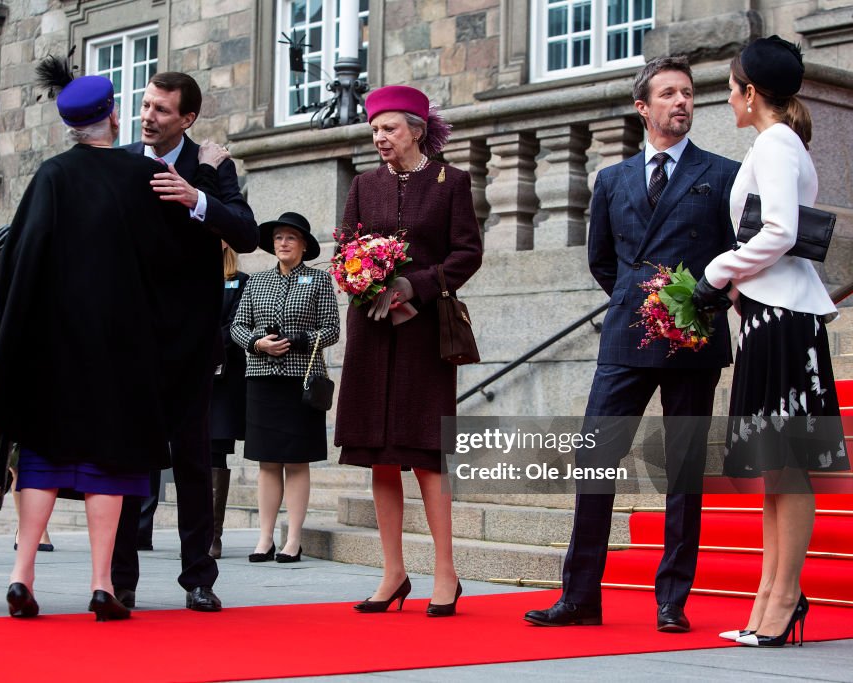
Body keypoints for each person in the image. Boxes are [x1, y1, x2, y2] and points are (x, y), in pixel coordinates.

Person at [524, 56, 740, 632]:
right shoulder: (613, 179)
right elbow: (602, 260)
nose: (682, 102)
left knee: (683, 466)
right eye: (668, 93)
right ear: (643, 107)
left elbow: (733, 257)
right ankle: (579, 596)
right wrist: (638, 299)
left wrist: (695, 303)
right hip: (626, 335)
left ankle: (672, 599)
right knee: (595, 458)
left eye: (689, 93)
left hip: (694, 336)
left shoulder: (722, 174)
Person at [695, 36, 849, 648]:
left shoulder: (777, 143)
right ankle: (769, 598)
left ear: (750, 92)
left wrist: (719, 270)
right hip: (768, 316)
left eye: (731, 87)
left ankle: (784, 599)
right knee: (776, 470)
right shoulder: (775, 143)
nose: (728, 98)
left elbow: (781, 230)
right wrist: (736, 286)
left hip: (783, 320)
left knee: (788, 469)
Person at [111, 71, 258, 609]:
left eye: (162, 110)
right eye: (146, 106)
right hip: (130, 339)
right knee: (129, 459)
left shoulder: (211, 165)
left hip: (193, 341)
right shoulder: (121, 162)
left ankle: (198, 577)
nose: (148, 116)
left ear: (187, 119)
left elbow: (247, 231)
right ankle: (120, 580)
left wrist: (197, 198)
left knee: (194, 460)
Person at [334, 85, 482, 616]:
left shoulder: (451, 183)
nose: (380, 138)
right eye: (375, 130)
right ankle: (393, 572)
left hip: (424, 333)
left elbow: (468, 253)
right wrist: (365, 280)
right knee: (379, 454)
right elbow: (344, 250)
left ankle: (446, 571)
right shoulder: (362, 185)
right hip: (372, 332)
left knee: (426, 454)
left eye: (389, 128)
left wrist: (413, 284)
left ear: (416, 131)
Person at [230, 213, 339, 563]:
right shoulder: (256, 281)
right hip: (261, 378)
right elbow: (237, 326)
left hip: (300, 381)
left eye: (291, 237)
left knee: (296, 461)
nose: (283, 243)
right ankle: (264, 538)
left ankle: (293, 538)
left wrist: (300, 340)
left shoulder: (319, 280)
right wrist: (257, 344)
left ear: (304, 245)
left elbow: (332, 329)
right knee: (266, 461)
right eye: (278, 237)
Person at [209, 241, 248, 558]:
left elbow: (236, 326)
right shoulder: (185, 273)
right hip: (188, 375)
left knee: (216, 450)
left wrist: (201, 344)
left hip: (223, 377)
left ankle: (213, 535)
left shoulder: (240, 280)